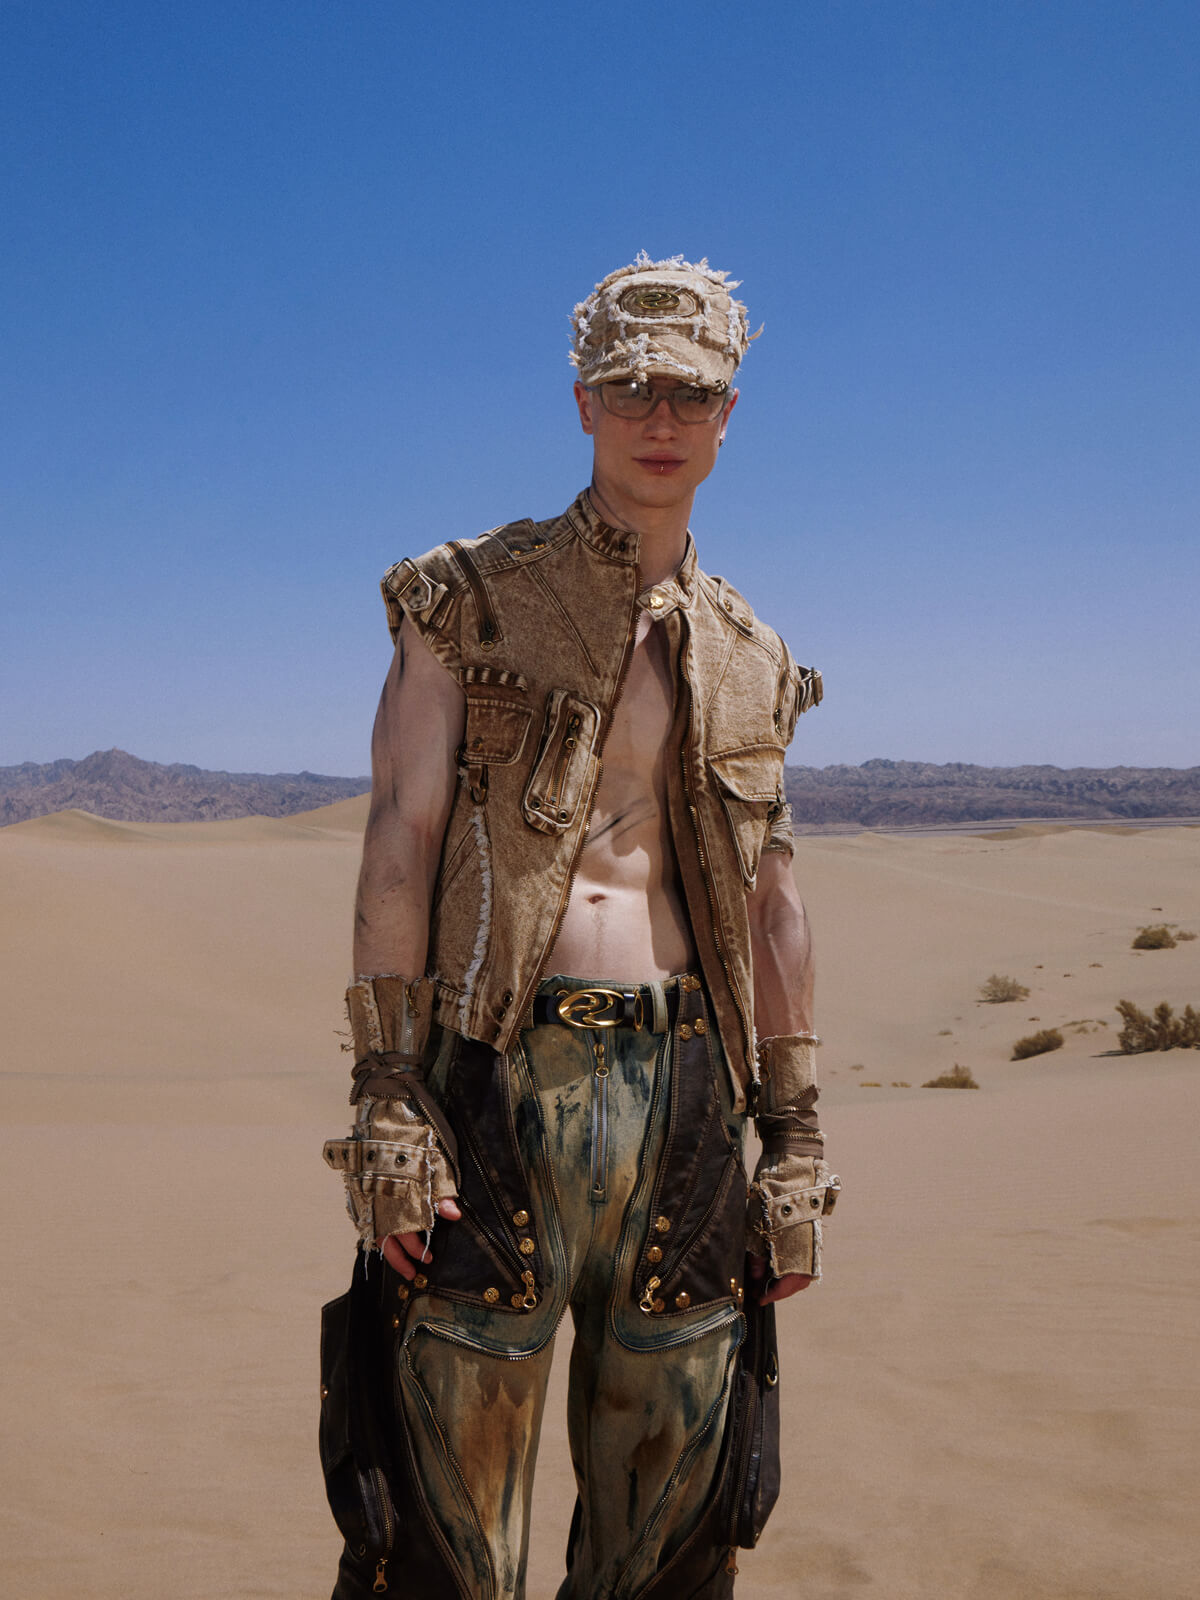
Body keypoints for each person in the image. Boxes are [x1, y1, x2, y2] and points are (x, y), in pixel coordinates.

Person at [322, 253, 839, 1600]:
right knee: (439, 1538)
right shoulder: (469, 600)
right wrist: (387, 1092)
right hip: (493, 1088)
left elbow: (773, 899)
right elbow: (401, 836)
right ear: (581, 402)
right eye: (629, 387)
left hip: (689, 1104)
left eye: (691, 394)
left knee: (673, 1539)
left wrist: (793, 1141)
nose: (660, 418)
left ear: (729, 415)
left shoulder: (753, 658)